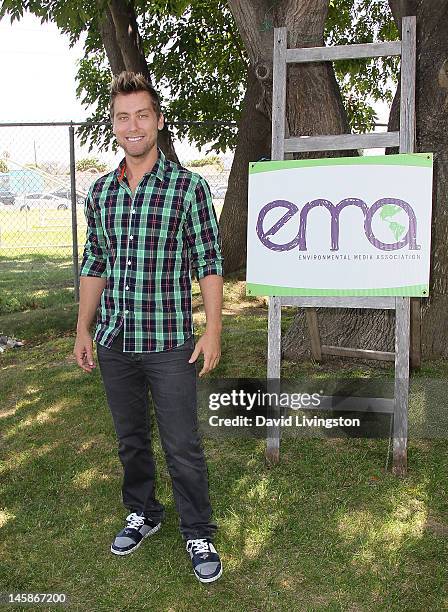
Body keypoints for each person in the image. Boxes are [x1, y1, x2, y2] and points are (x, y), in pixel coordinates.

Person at [73, 71, 224, 584]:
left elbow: (208, 262)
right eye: (122, 117)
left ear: (158, 121)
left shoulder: (188, 189)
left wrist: (213, 331)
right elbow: (95, 263)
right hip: (115, 341)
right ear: (113, 125)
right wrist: (82, 328)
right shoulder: (101, 193)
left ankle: (197, 530)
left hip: (170, 344)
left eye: (142, 115)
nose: (132, 125)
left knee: (182, 443)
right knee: (130, 440)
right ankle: (144, 512)